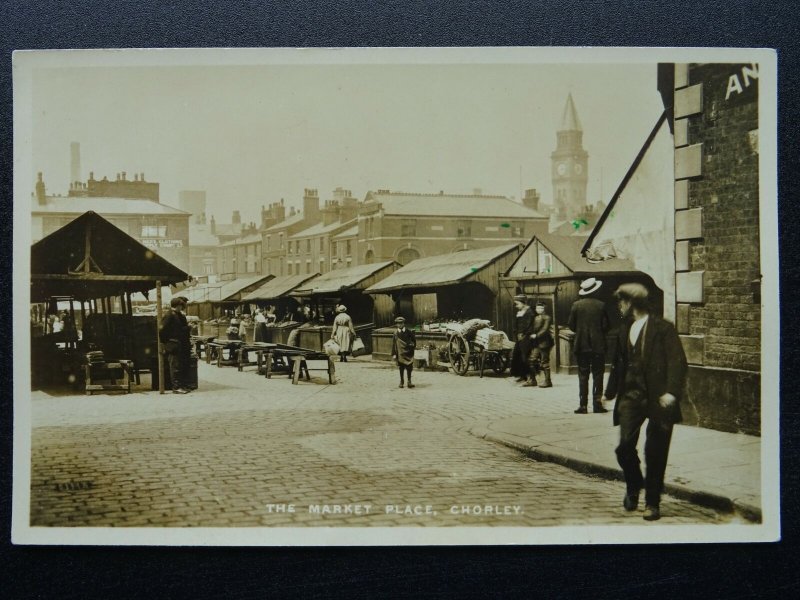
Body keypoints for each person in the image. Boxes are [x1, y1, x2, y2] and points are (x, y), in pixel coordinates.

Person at [604, 283, 688, 521]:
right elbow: (619, 364)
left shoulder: (663, 328)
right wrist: (610, 392)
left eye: (621, 301)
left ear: (631, 302)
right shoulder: (625, 329)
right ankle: (634, 485)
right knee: (624, 447)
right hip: (631, 395)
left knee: (655, 451)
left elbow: (677, 362)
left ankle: (652, 502)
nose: (619, 306)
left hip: (658, 398)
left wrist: (671, 392)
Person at [568, 277, 610, 413]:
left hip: (581, 345)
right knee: (598, 374)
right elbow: (606, 326)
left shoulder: (576, 305)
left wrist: (581, 331)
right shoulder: (601, 305)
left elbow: (571, 325)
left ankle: (583, 405)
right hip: (598, 346)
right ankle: (597, 405)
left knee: (583, 375)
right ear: (595, 290)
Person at [159, 296, 192, 394]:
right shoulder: (170, 315)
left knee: (178, 366)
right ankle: (176, 387)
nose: (182, 307)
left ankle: (179, 386)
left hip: (177, 343)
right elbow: (161, 329)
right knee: (175, 366)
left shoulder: (175, 314)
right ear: (177, 305)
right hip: (173, 344)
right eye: (181, 305)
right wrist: (166, 342)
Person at [510, 294, 536, 386]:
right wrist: (516, 333)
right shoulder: (520, 312)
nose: (516, 306)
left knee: (526, 357)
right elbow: (516, 325)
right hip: (519, 337)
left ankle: (531, 379)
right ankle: (522, 376)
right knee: (518, 356)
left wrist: (524, 334)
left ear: (523, 303)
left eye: (517, 304)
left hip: (526, 338)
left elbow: (529, 326)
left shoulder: (529, 312)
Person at [530, 301, 554, 388]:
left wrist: (536, 335)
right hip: (536, 343)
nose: (539, 310)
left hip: (544, 343)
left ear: (544, 309)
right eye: (537, 308)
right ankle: (532, 380)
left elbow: (545, 329)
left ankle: (548, 381)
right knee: (532, 360)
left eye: (541, 308)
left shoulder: (547, 318)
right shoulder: (535, 318)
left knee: (544, 362)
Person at [391, 316, 416, 389]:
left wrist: (411, 347)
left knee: (409, 368)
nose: (400, 325)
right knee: (401, 368)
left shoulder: (409, 332)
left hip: (409, 353)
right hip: (400, 353)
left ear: (403, 323)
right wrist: (394, 354)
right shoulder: (395, 333)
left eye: (401, 323)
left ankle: (409, 381)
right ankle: (401, 382)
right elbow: (394, 344)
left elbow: (414, 341)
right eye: (398, 323)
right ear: (396, 324)